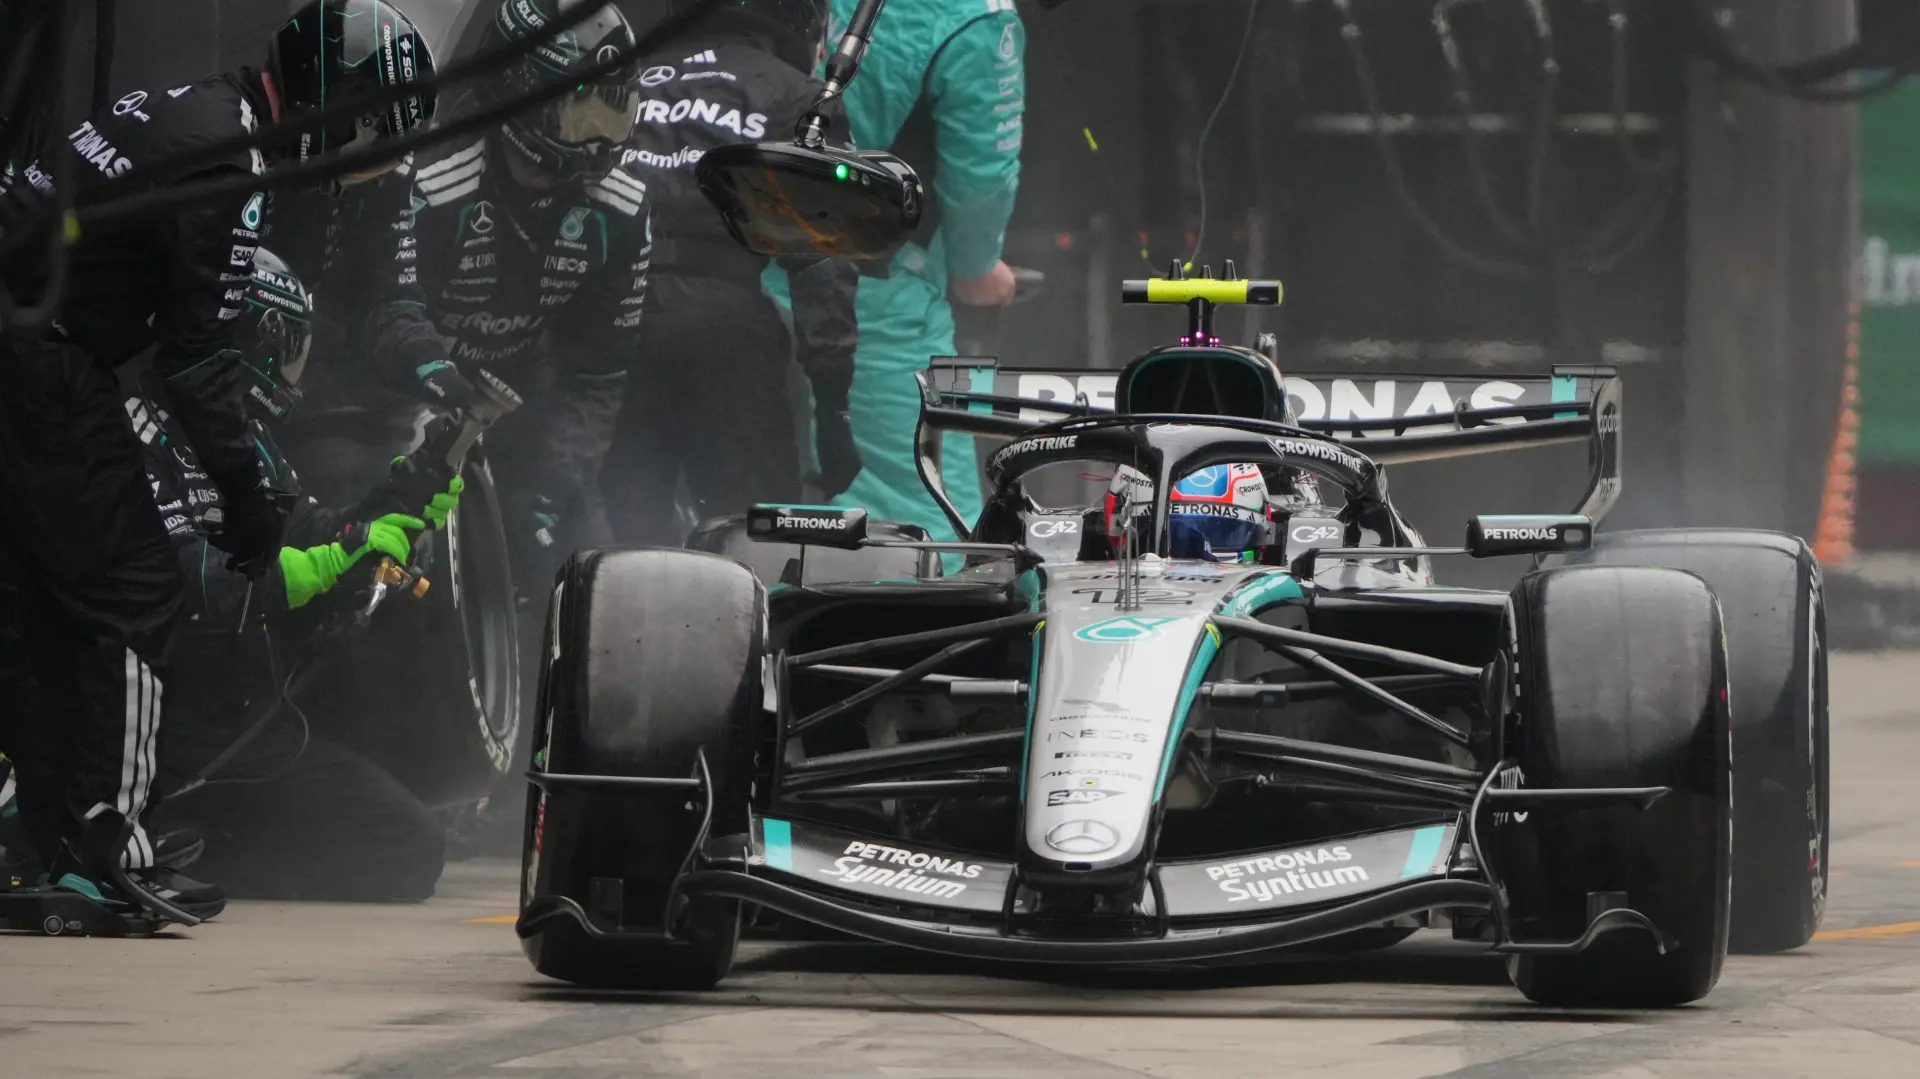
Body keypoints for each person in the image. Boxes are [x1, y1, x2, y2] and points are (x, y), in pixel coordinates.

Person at [0, 0, 434, 919]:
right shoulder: (230, 162)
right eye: (370, 133)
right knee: (136, 593)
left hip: (35, 348)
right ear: (331, 99)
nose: (367, 163)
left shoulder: (197, 109)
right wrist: (247, 499)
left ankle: (50, 847)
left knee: (42, 603)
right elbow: (196, 358)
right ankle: (110, 849)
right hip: (40, 358)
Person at [125, 251, 458, 902]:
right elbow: (174, 573)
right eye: (288, 351)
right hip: (151, 727)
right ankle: (163, 840)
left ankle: (201, 851)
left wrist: (394, 504)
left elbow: (310, 532)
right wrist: (304, 571)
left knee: (409, 847)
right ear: (250, 342)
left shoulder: (247, 440)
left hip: (247, 726)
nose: (292, 373)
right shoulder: (126, 425)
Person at [370, 0, 651, 594]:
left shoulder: (623, 208)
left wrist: (554, 486)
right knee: (399, 565)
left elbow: (596, 375)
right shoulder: (430, 182)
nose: (600, 143)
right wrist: (440, 406)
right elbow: (381, 315)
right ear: (520, 97)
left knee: (597, 576)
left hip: (520, 419)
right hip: (395, 404)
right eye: (582, 114)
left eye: (615, 114)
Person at [598, 0, 862, 544]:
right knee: (753, 538)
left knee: (620, 540)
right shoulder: (800, 97)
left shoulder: (622, 80)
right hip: (725, 334)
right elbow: (821, 261)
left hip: (610, 325)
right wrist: (834, 407)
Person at [812, 0, 1028, 540]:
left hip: (748, 275)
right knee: (934, 530)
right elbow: (980, 177)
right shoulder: (976, 17)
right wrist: (976, 266)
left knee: (759, 512)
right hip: (872, 296)